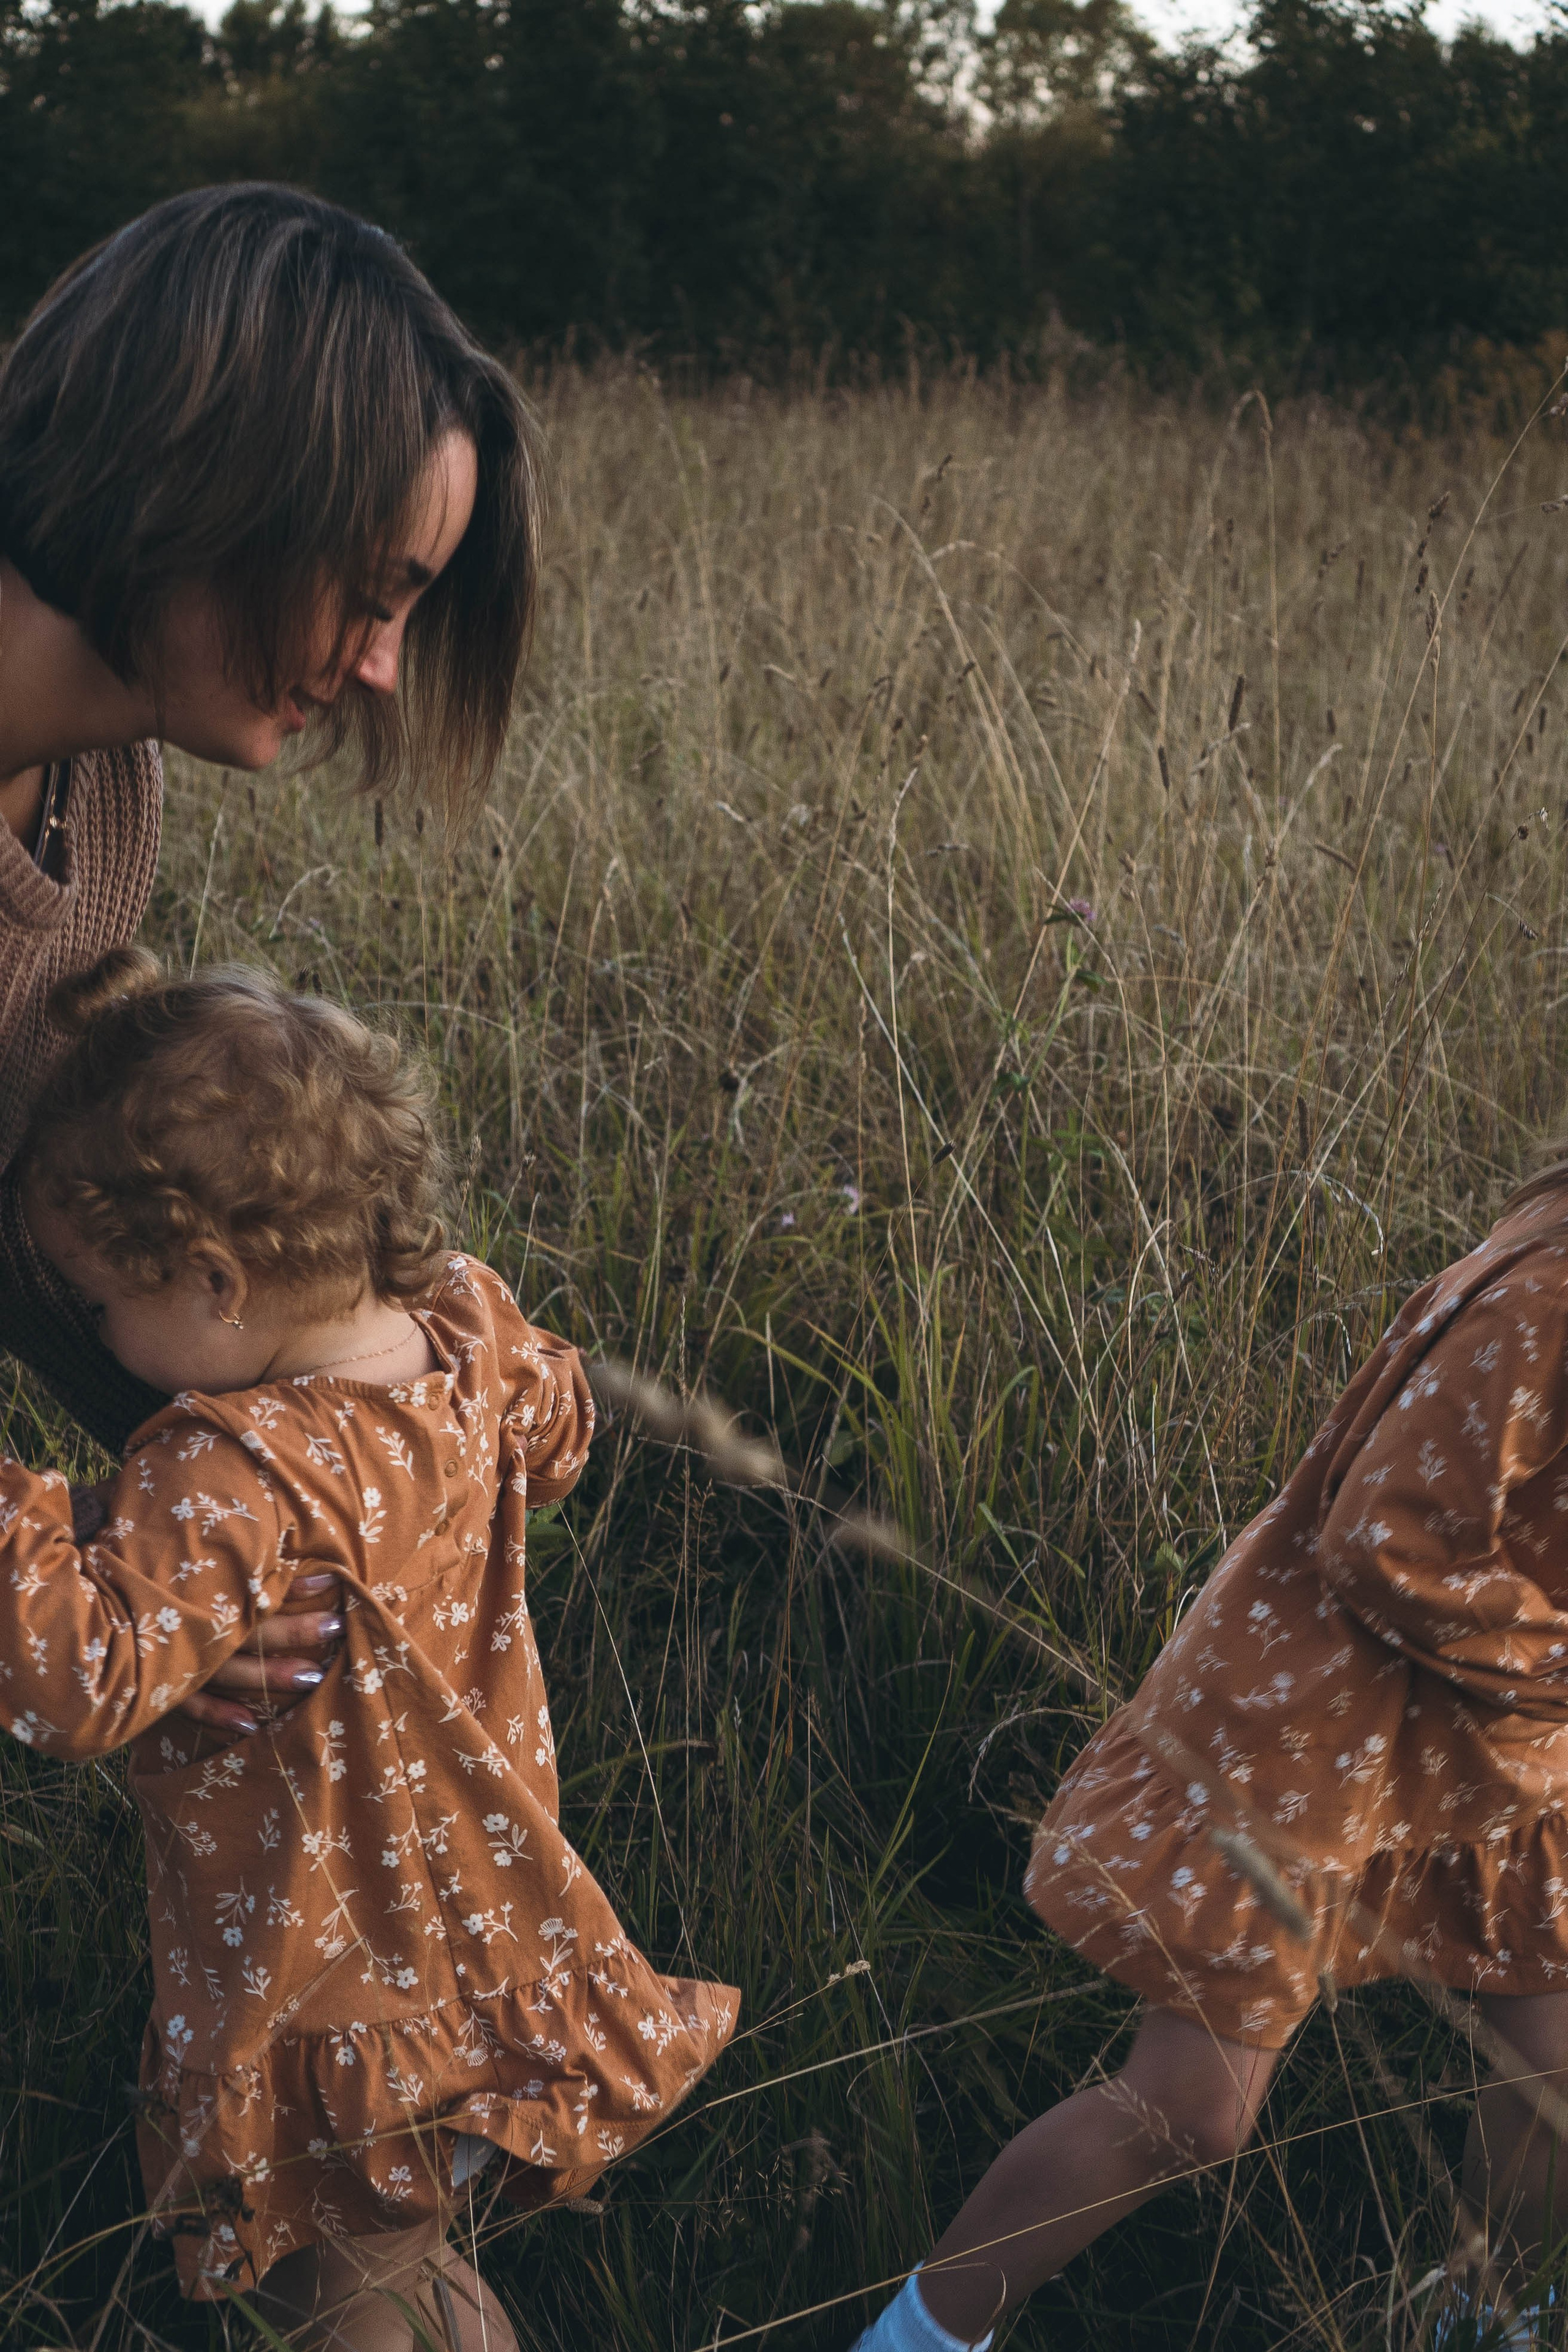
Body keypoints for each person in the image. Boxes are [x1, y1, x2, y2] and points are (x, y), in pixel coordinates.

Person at [0, 946, 739, 2340]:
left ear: (216, 1281)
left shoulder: (230, 1468)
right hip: (477, 1933)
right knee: (401, 2263)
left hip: (325, 1981)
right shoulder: (466, 1335)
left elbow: (77, 1675)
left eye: (101, 1303)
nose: (93, 1333)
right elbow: (564, 1425)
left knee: (353, 2305)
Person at [850, 1172, 1568, 2352]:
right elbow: (1386, 1538)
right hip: (1320, 1728)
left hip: (1497, 1737)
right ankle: (914, 2340)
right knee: (1194, 2106)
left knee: (1548, 2056)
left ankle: (1488, 2323)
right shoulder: (1551, 1292)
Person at [0, 180, 540, 1738]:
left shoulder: (104, 786)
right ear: (213, 484)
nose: (379, 667)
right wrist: (105, 1584)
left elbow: (46, 1208)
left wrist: (306, 1478)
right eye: (367, 594)